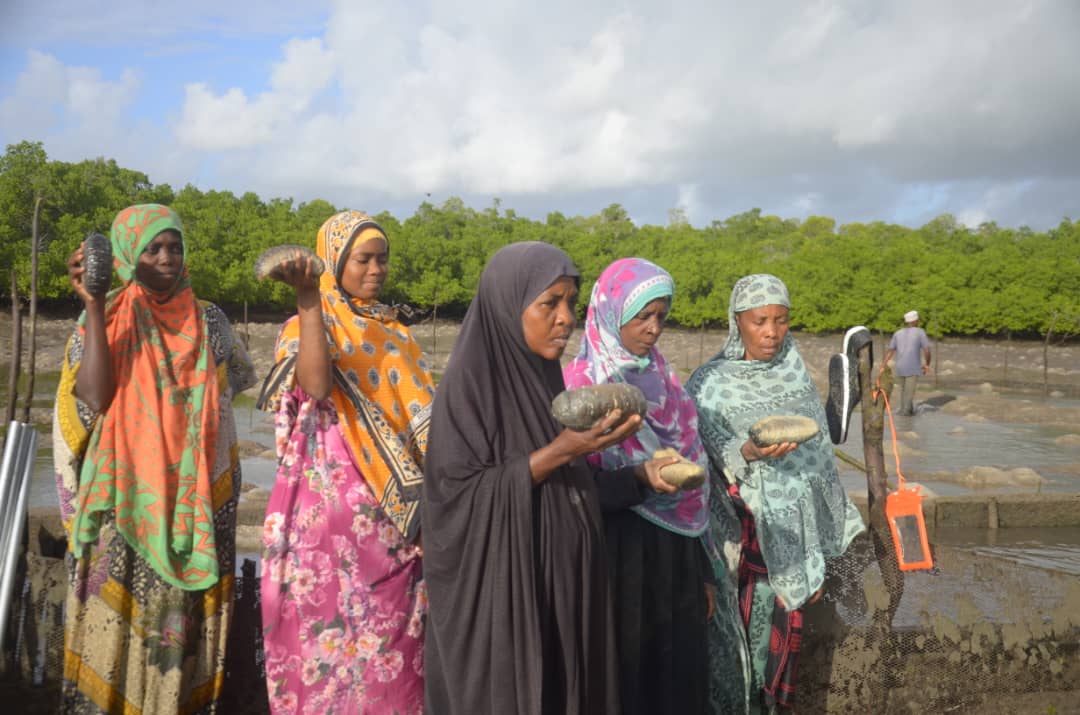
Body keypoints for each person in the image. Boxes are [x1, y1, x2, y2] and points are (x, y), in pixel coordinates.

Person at [422, 242, 673, 714]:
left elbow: (571, 492)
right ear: (507, 307)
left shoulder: (546, 383)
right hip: (508, 601)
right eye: (548, 304)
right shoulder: (468, 389)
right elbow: (454, 504)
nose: (565, 318)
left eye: (571, 304)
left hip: (562, 595)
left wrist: (638, 476)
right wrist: (562, 450)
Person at [53, 203, 256, 713]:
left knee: (180, 636)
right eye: (152, 248)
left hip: (195, 505)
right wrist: (95, 304)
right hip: (123, 506)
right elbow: (93, 399)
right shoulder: (104, 314)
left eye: (175, 247)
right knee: (115, 630)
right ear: (125, 255)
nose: (167, 257)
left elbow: (232, 390)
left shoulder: (211, 320)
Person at [257, 210, 432, 714]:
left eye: (383, 259)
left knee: (393, 655)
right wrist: (310, 300)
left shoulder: (396, 333)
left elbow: (423, 422)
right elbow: (315, 383)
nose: (376, 269)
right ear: (335, 261)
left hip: (391, 517)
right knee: (322, 646)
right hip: (325, 516)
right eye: (363, 259)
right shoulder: (304, 325)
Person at [686, 274, 864, 713]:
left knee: (781, 652)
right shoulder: (710, 382)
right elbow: (704, 455)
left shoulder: (795, 373)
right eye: (760, 320)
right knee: (736, 643)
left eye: (781, 321)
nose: (771, 332)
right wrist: (747, 451)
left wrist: (816, 551)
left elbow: (820, 464)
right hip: (741, 539)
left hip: (793, 539)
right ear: (737, 322)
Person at [562, 257, 713, 715]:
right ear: (609, 313)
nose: (652, 329)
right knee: (623, 672)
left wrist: (704, 571)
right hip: (616, 554)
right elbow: (572, 486)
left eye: (661, 317)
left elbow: (696, 481)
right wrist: (638, 480)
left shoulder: (670, 387)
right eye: (642, 316)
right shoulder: (580, 386)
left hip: (674, 553)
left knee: (676, 671)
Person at [879, 309, 932, 415]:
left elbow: (890, 351)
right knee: (908, 395)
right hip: (913, 368)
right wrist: (927, 364)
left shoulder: (897, 333)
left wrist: (883, 365)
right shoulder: (920, 332)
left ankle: (906, 414)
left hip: (899, 367)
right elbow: (927, 350)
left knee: (904, 393)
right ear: (916, 321)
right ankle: (906, 423)